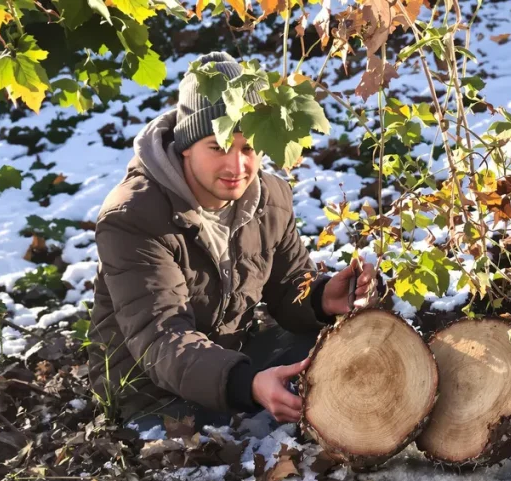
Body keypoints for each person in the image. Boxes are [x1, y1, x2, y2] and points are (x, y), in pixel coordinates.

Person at [87, 51, 377, 432]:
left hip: (232, 363)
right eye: (219, 146)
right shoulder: (134, 216)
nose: (236, 167)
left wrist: (323, 297)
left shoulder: (269, 197)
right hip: (152, 393)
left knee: (334, 347)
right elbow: (161, 338)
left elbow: (290, 285)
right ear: (185, 144)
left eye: (249, 147)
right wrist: (247, 384)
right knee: (240, 437)